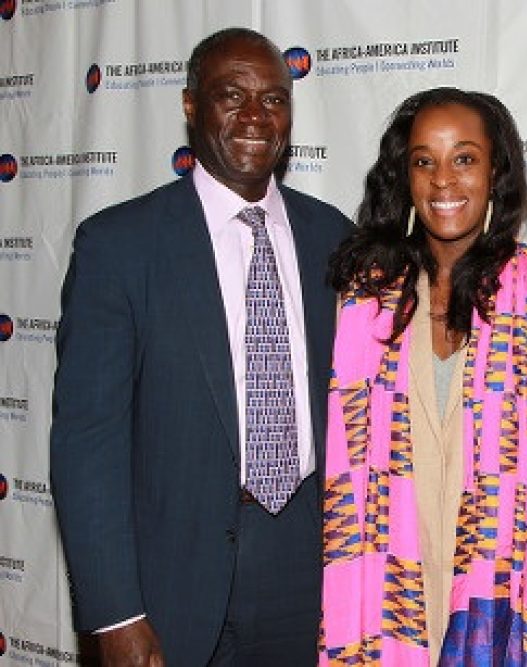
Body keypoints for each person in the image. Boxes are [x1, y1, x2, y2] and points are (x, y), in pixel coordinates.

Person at [50, 28, 353, 666]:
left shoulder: (334, 238)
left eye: (273, 99)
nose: (254, 117)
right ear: (191, 106)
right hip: (172, 579)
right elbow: (87, 443)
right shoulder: (120, 245)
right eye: (230, 96)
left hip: (312, 569)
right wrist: (114, 613)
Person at [319, 87, 527, 666]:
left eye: (464, 158)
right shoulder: (365, 300)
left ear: (495, 170)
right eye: (424, 161)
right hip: (385, 595)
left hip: (501, 603)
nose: (443, 181)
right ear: (404, 177)